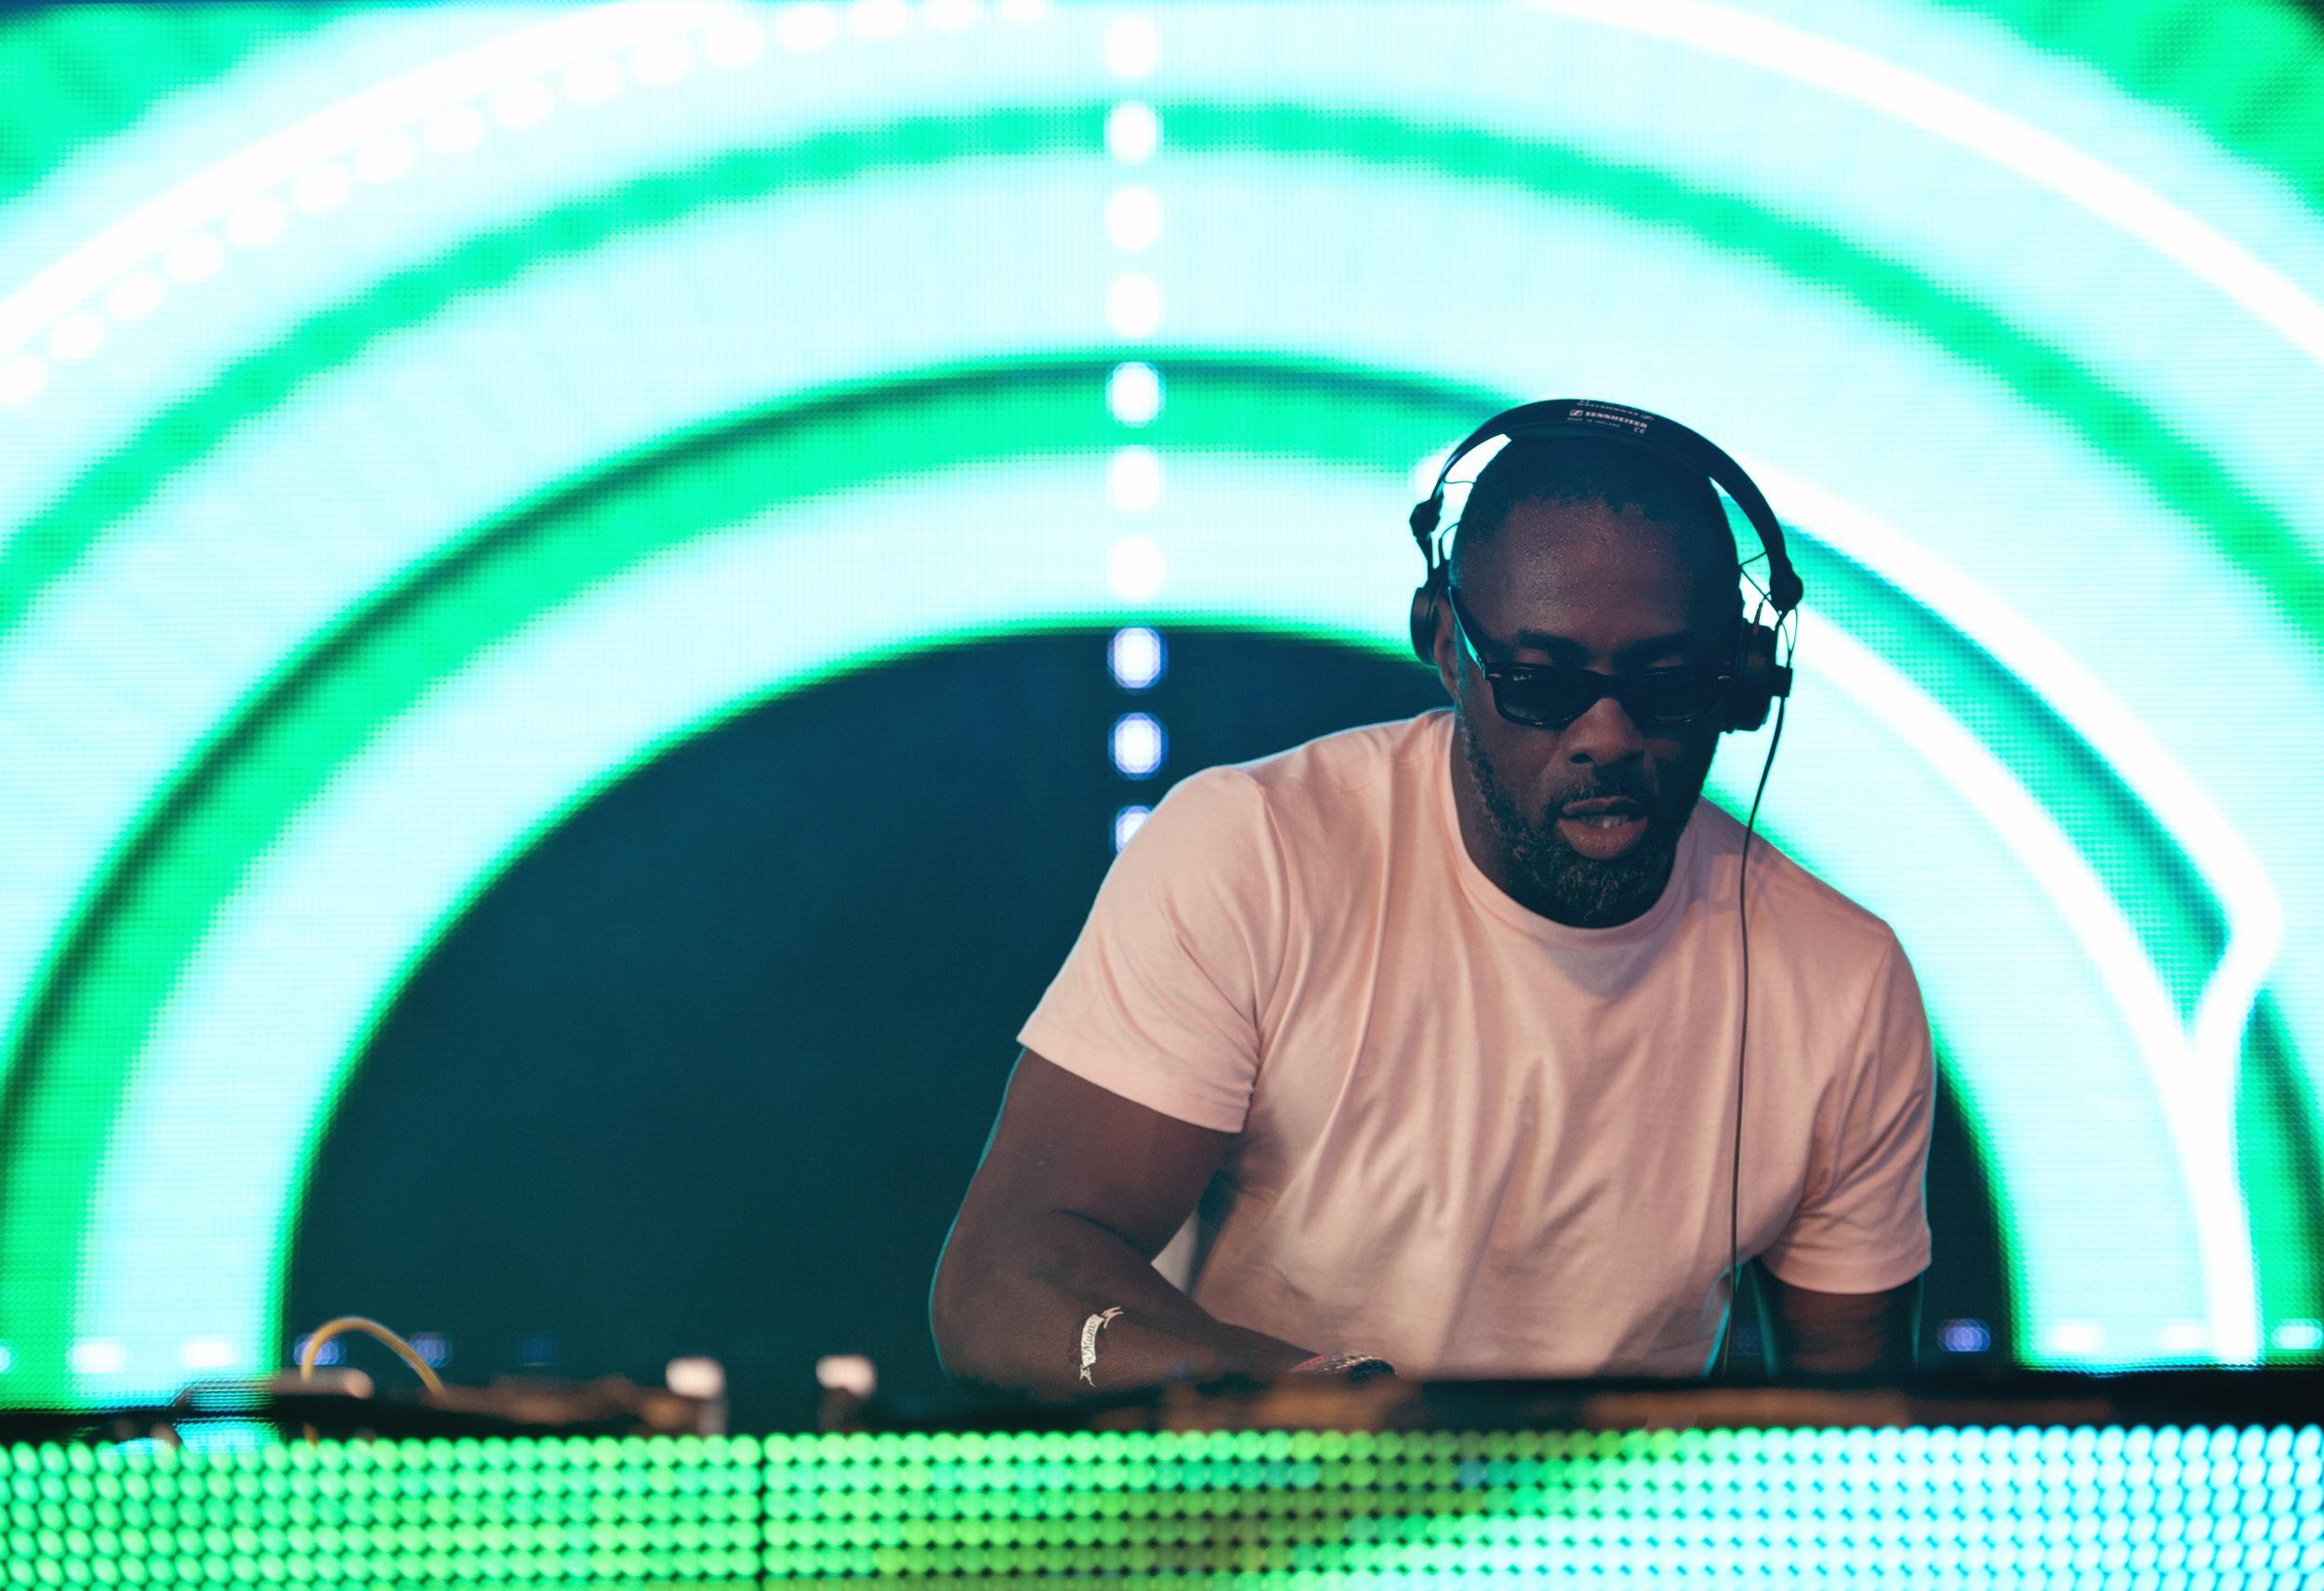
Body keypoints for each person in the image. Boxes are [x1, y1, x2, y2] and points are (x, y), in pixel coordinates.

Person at [930, 401, 1934, 1399]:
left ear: (1743, 682)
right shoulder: (1256, 852)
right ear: (1447, 645)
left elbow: (1853, 1429)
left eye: (1667, 683)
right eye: (1541, 682)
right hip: (1260, 1536)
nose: (1607, 734)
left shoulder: (1841, 981)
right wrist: (1310, 1397)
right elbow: (1004, 1276)